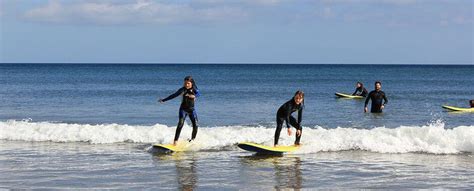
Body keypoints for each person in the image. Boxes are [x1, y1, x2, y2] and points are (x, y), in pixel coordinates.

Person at [159, 76, 200, 145]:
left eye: (188, 83)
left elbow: (198, 94)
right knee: (180, 124)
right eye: (185, 83)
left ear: (191, 83)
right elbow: (173, 95)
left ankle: (192, 140)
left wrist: (194, 96)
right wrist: (164, 100)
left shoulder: (194, 89)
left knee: (195, 125)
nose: (186, 85)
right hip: (183, 109)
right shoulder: (182, 90)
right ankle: (175, 142)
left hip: (191, 110)